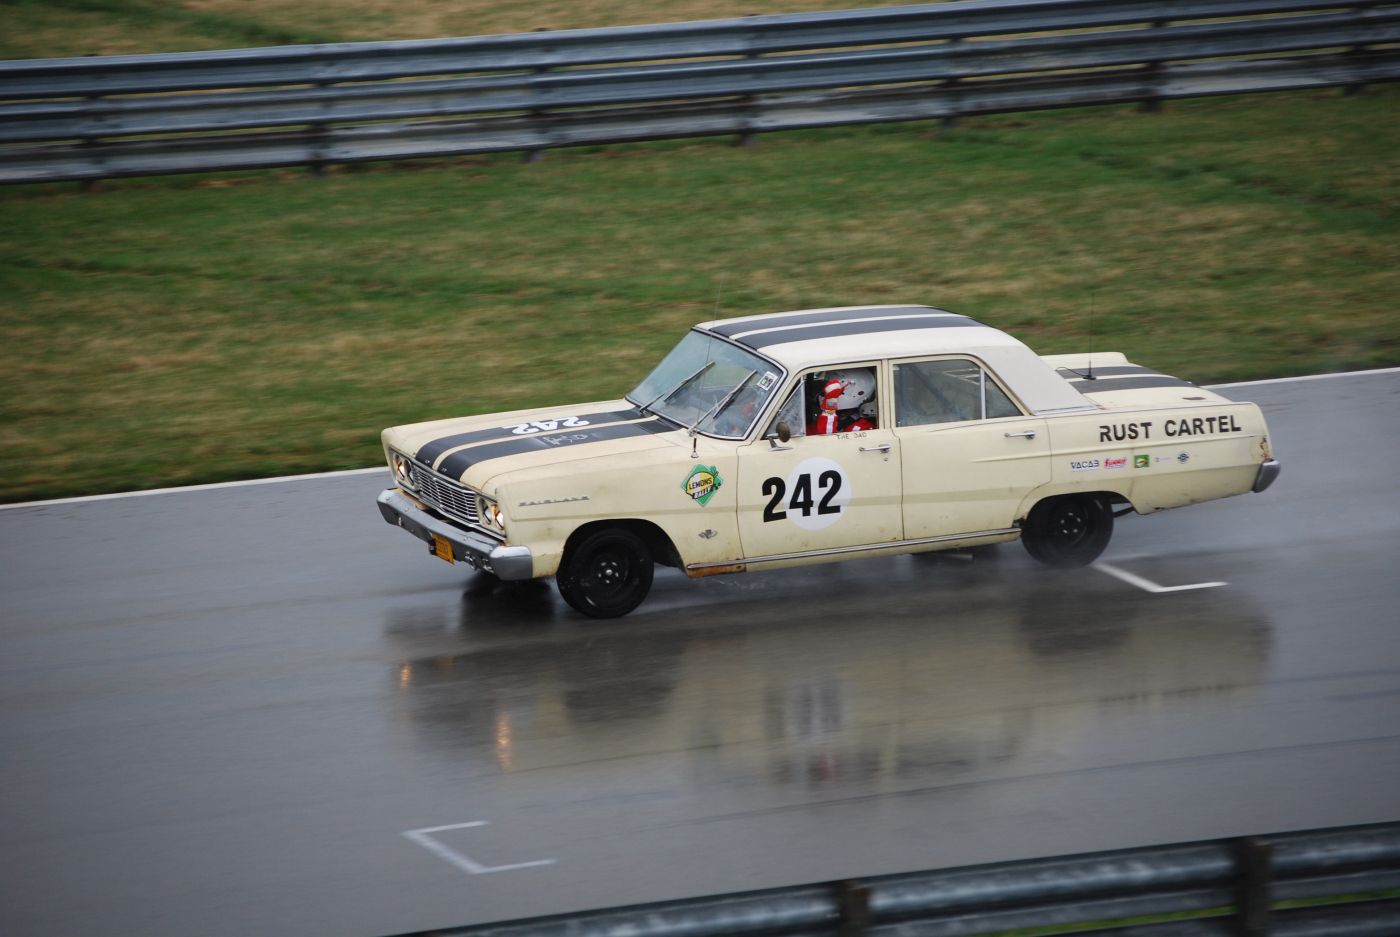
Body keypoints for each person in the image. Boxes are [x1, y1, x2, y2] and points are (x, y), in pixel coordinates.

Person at [807, 369, 877, 435]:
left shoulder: (863, 428)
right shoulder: (826, 421)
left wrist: (831, 401)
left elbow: (827, 439)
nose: (824, 392)